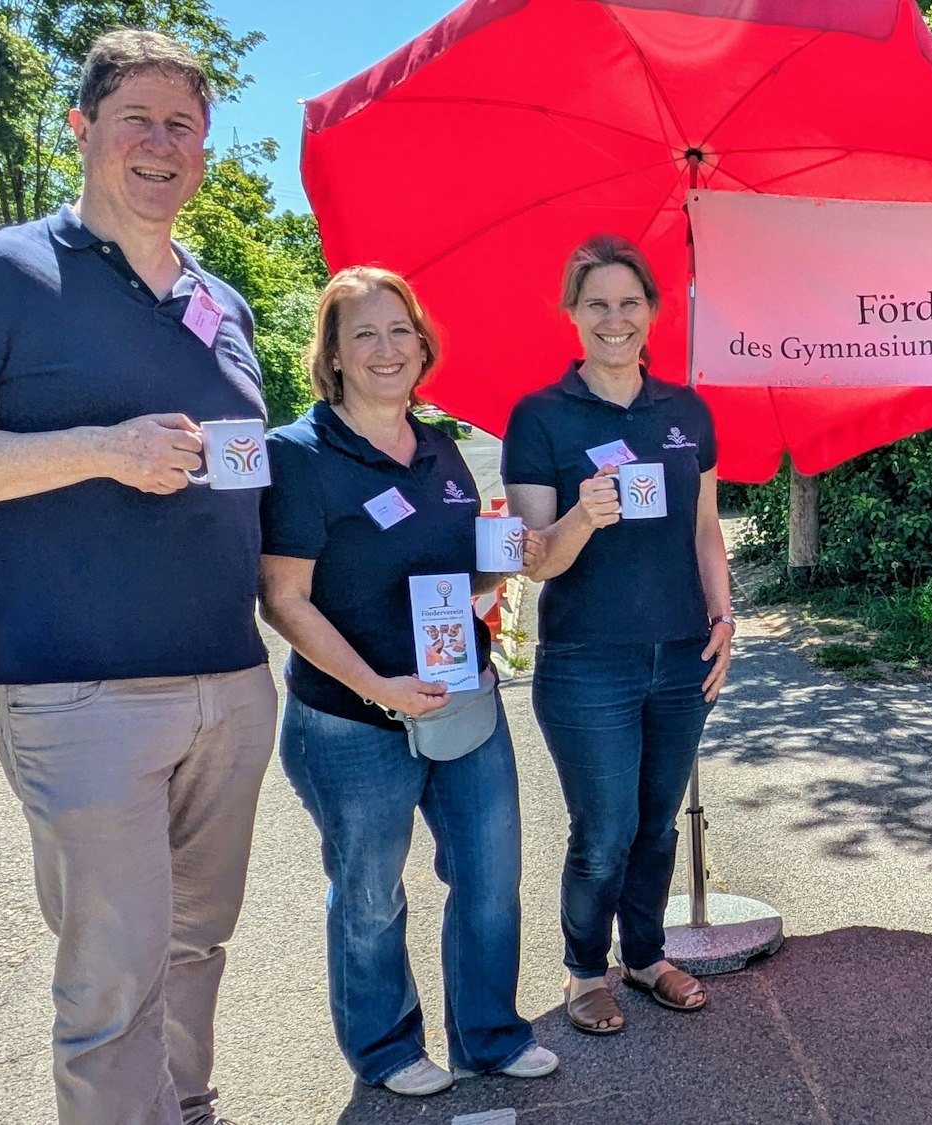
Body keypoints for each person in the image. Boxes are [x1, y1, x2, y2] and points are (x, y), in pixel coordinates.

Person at [0, 29, 275, 1125]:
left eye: (182, 126)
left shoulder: (220, 304)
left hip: (230, 686)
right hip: (79, 693)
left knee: (196, 946)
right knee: (114, 979)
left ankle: (185, 1110)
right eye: (135, 118)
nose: (160, 143)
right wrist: (100, 447)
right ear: (83, 129)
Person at [258, 267, 558, 1096]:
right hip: (352, 724)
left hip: (463, 701)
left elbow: (463, 587)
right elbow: (283, 599)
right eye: (364, 333)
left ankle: (491, 1035)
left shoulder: (441, 450)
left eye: (400, 331)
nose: (387, 349)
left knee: (490, 876)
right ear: (334, 355)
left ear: (422, 345)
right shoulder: (300, 454)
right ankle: (388, 1050)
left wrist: (506, 563)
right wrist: (376, 686)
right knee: (370, 895)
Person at [504, 233, 734, 1036]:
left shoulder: (687, 412)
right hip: (585, 662)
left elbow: (706, 529)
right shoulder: (538, 418)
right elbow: (535, 560)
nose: (614, 318)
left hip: (679, 653)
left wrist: (725, 620)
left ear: (652, 312)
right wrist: (581, 516)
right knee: (603, 832)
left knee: (658, 821)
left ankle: (645, 953)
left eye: (628, 303)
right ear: (572, 313)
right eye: (596, 303)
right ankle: (582, 969)